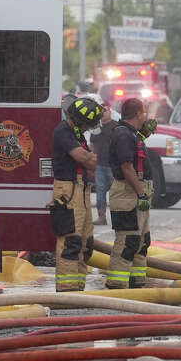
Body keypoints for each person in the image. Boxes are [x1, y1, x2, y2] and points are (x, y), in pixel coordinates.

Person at [49, 95, 102, 292]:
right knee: (70, 240)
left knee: (85, 242)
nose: (88, 129)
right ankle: (67, 289)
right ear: (80, 121)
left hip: (81, 190)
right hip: (68, 190)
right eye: (87, 125)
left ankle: (78, 287)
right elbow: (82, 157)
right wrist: (87, 158)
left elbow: (93, 163)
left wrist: (88, 159)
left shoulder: (77, 135)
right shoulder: (63, 131)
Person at [106, 98, 153, 289]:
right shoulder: (123, 135)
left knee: (141, 241)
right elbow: (126, 166)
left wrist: (145, 132)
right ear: (138, 114)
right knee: (128, 240)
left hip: (136, 192)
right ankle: (117, 284)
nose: (146, 115)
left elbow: (136, 151)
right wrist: (141, 193)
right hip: (128, 193)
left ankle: (136, 282)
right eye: (144, 112)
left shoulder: (131, 134)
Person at [90, 101, 114, 225]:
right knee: (100, 192)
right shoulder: (96, 128)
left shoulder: (116, 126)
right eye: (101, 111)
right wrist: (92, 159)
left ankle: (118, 217)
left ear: (110, 111)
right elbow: (92, 145)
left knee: (116, 193)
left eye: (105, 110)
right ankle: (101, 217)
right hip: (99, 165)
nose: (103, 113)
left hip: (113, 166)